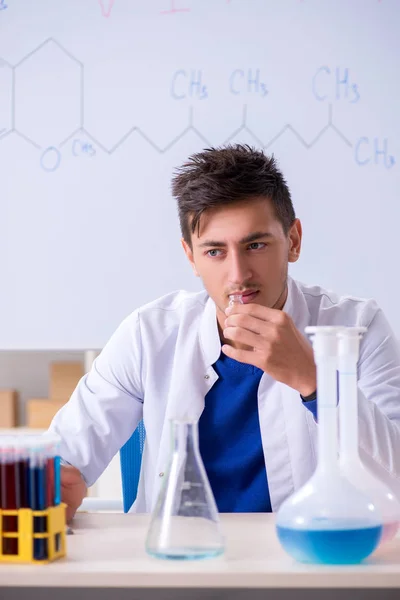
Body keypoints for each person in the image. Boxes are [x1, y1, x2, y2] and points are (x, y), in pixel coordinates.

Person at [48, 144, 400, 522]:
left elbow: (394, 476)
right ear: (191, 256)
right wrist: (56, 482)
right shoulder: (148, 334)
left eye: (256, 245)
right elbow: (64, 457)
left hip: (308, 561)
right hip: (175, 561)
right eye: (215, 251)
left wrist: (314, 381)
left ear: (293, 241)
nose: (238, 275)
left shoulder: (357, 328)